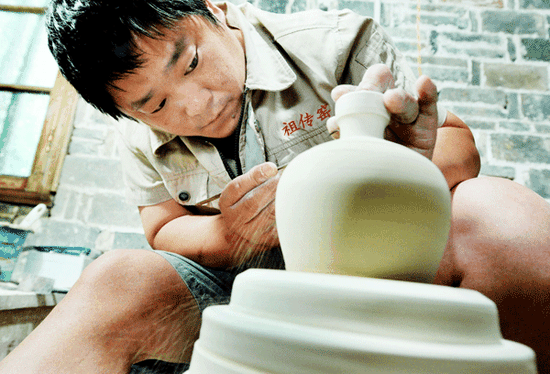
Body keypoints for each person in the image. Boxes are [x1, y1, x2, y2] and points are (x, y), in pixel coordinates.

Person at [0, 0, 548, 373]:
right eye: (156, 105)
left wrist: (406, 166)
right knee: (117, 277)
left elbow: (460, 149)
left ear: (213, 9)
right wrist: (226, 233)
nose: (196, 103)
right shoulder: (140, 136)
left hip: (382, 272)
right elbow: (162, 227)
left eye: (191, 62)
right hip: (244, 290)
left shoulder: (336, 44)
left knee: (498, 212)